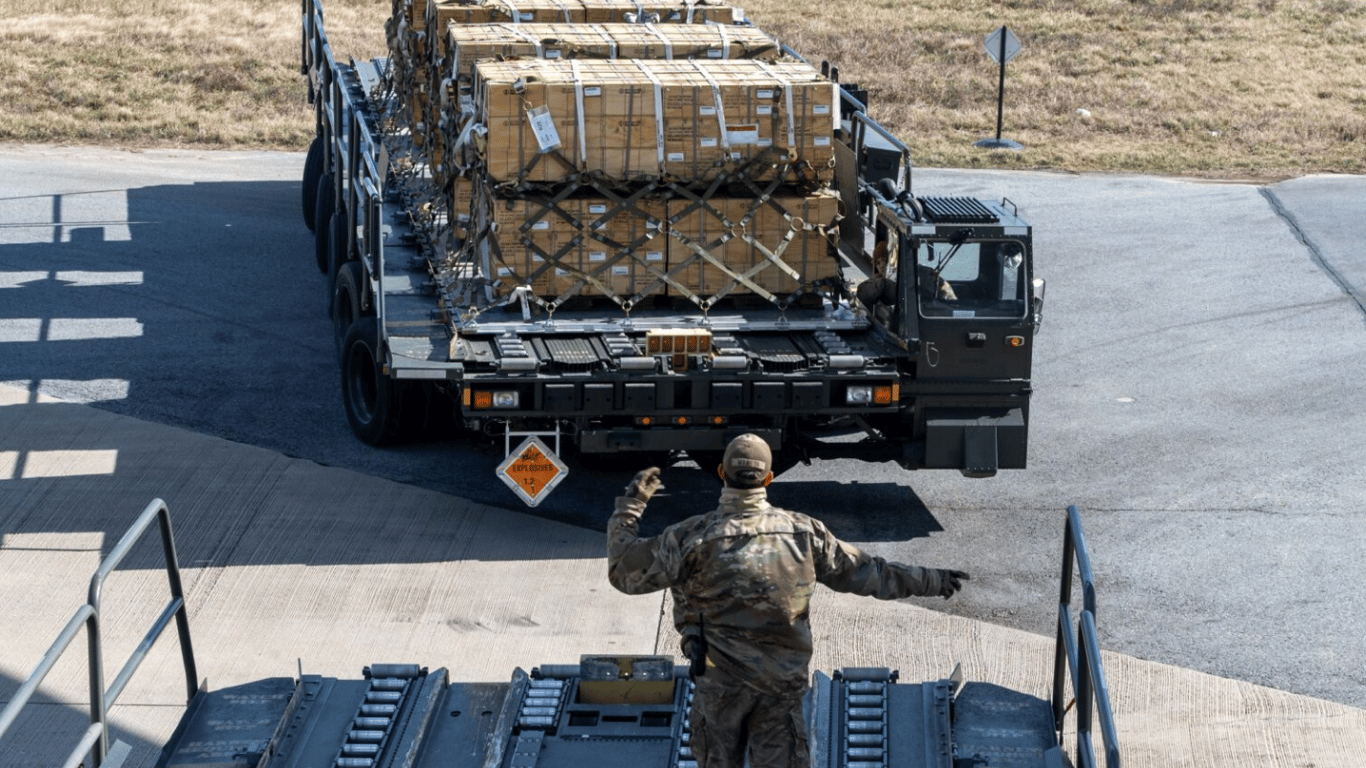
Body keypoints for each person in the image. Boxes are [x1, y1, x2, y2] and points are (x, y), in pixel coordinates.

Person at [606, 433, 970, 768]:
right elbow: (868, 573)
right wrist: (932, 580)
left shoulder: (688, 538)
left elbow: (624, 573)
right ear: (769, 478)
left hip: (719, 687)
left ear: (721, 473)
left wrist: (630, 508)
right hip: (781, 688)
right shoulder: (804, 533)